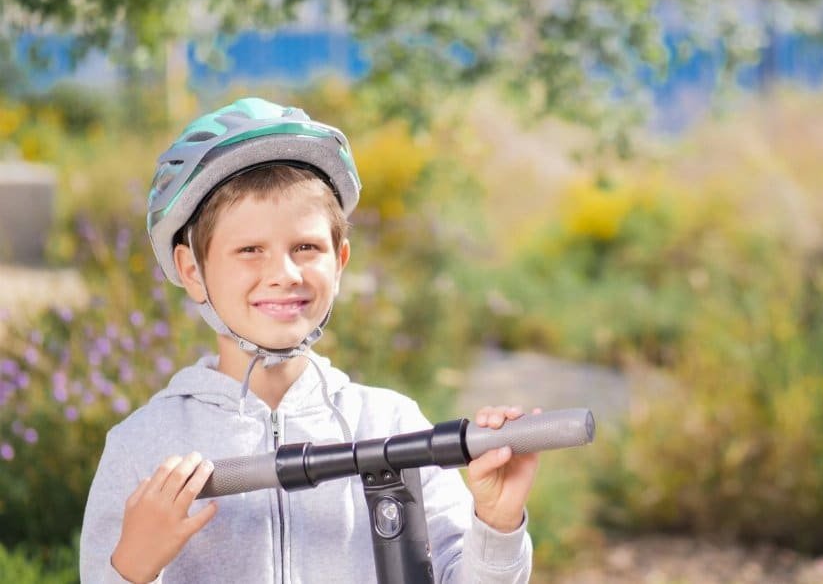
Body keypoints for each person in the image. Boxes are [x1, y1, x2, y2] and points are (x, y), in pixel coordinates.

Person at [79, 98, 538, 583]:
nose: (283, 273)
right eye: (250, 250)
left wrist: (497, 522)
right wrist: (130, 566)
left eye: (306, 247)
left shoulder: (390, 424)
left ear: (339, 261)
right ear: (193, 271)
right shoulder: (142, 444)